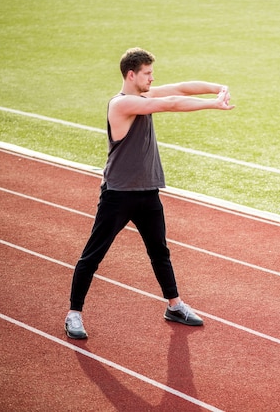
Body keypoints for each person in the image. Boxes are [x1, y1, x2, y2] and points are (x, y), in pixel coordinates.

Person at [65, 47, 235, 339]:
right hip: (118, 195)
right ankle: (74, 314)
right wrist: (212, 105)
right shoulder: (121, 105)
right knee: (93, 256)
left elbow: (181, 88)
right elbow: (170, 103)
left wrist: (217, 88)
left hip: (147, 193)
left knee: (160, 252)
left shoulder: (143, 96)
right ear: (131, 75)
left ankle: (175, 305)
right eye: (147, 74)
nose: (152, 79)